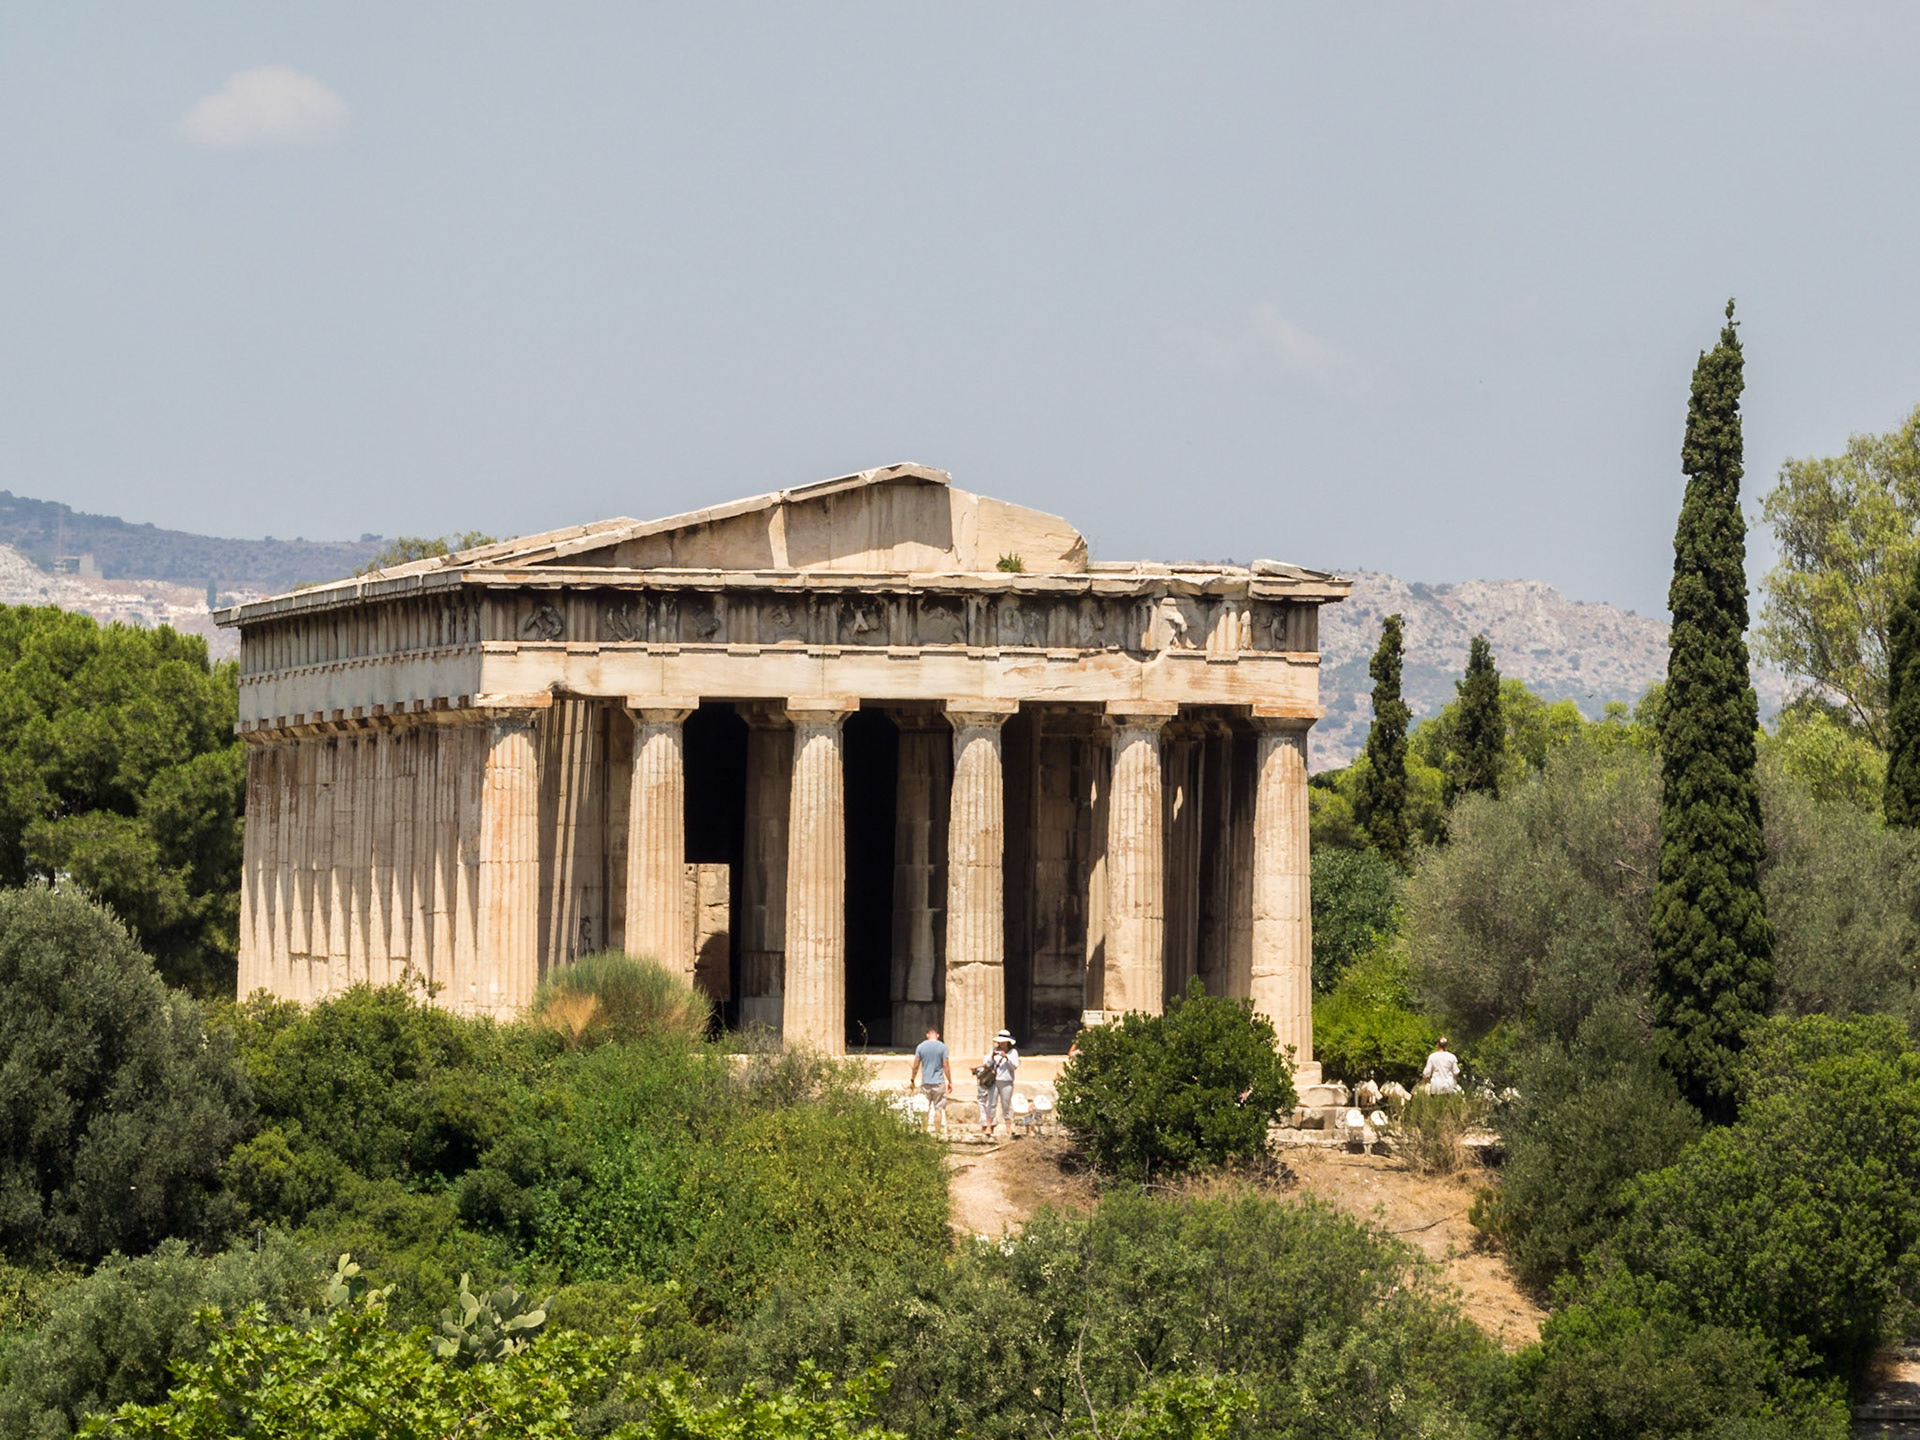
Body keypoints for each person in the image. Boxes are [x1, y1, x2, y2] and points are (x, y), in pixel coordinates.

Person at [907, 1026, 951, 1132]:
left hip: (926, 1082)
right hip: (938, 1082)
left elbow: (916, 1065)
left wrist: (912, 1079)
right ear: (937, 1035)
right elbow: (946, 1065)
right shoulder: (943, 1047)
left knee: (924, 1107)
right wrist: (950, 1081)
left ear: (927, 1035)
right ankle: (937, 1131)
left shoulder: (921, 1047)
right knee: (938, 1108)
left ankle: (924, 1130)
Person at [978, 1030, 1020, 1138]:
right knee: (991, 1103)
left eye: (1003, 1042)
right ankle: (989, 1126)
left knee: (1006, 1104)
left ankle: (1008, 1126)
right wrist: (992, 1057)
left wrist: (1006, 1057)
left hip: (1006, 1081)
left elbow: (1014, 1066)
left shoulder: (1013, 1052)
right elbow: (986, 1064)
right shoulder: (993, 1050)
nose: (1001, 1044)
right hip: (994, 1080)